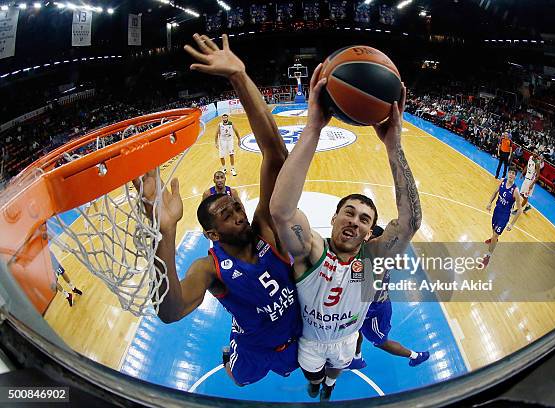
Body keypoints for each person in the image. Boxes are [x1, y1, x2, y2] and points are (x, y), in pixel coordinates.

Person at [140, 33, 301, 387]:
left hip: (297, 340)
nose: (239, 215)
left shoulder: (264, 230)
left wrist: (239, 77)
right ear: (212, 234)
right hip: (253, 348)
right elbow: (171, 311)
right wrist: (163, 231)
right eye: (227, 215)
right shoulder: (208, 268)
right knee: (238, 379)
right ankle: (230, 354)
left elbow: (276, 154)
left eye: (236, 207)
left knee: (306, 372)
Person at [270, 66, 422, 401]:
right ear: (335, 217)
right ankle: (316, 383)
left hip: (346, 341)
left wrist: (394, 145)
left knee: (335, 372)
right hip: (310, 341)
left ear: (370, 232)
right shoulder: (310, 250)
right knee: (312, 375)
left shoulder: (371, 259)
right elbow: (281, 211)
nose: (355, 221)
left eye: (365, 219)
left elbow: (409, 223)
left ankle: (329, 384)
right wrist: (313, 127)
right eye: (349, 213)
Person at [348, 226, 429, 371]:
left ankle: (416, 356)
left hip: (375, 310)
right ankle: (356, 357)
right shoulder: (378, 254)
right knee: (355, 330)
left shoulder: (372, 258)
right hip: (367, 304)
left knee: (381, 342)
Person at [482, 167, 523, 269]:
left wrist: (511, 224)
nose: (511, 174)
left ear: (515, 176)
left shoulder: (515, 191)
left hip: (504, 216)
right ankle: (493, 239)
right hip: (497, 210)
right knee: (493, 231)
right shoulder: (503, 181)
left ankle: (488, 256)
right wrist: (489, 203)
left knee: (496, 234)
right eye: (510, 172)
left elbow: (520, 210)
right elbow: (495, 192)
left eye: (513, 173)